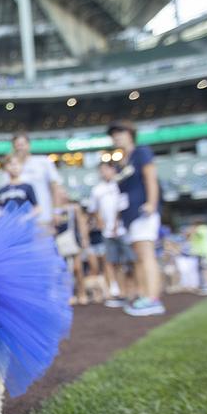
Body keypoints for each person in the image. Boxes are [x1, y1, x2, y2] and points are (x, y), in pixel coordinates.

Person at [107, 119, 165, 317]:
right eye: (114, 134)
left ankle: (153, 299)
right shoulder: (122, 162)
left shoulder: (141, 152)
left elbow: (151, 178)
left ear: (130, 133)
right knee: (139, 258)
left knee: (146, 254)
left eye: (120, 133)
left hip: (143, 211)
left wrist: (151, 203)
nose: (116, 137)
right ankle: (144, 295)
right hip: (130, 216)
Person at [88, 160, 131, 306]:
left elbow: (122, 207)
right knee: (111, 262)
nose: (104, 172)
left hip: (122, 230)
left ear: (113, 170)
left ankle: (129, 291)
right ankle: (115, 293)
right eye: (102, 170)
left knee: (127, 261)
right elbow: (93, 210)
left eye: (107, 169)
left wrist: (117, 223)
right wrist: (101, 224)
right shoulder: (97, 190)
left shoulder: (119, 185)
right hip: (107, 233)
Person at [9, 131, 65, 231]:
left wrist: (57, 211)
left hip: (44, 218)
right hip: (20, 223)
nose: (20, 148)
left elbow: (56, 188)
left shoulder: (43, 162)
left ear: (29, 145)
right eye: (17, 145)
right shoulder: (11, 168)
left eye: (22, 144)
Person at [187, 219, 207, 295]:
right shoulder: (206, 228)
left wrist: (191, 231)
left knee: (206, 270)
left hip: (205, 252)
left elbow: (195, 234)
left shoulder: (202, 228)